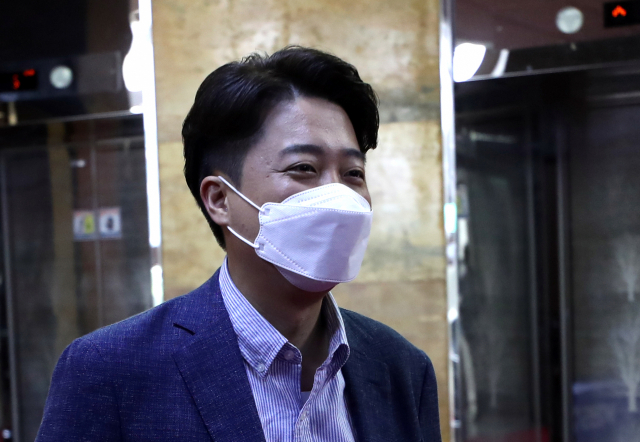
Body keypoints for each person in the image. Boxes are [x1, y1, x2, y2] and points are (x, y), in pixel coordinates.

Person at [36, 46, 441, 442]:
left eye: (353, 173)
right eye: (304, 168)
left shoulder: (402, 369)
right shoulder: (110, 370)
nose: (339, 197)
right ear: (219, 199)